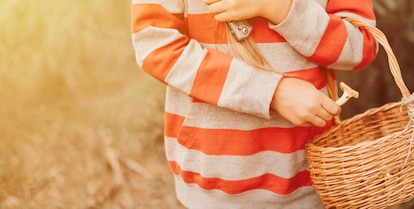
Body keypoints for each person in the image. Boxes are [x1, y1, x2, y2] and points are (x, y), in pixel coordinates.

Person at [130, 0, 377, 208]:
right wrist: (272, 92)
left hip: (308, 178)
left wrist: (280, 8)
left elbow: (362, 45)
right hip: (212, 183)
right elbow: (155, 46)